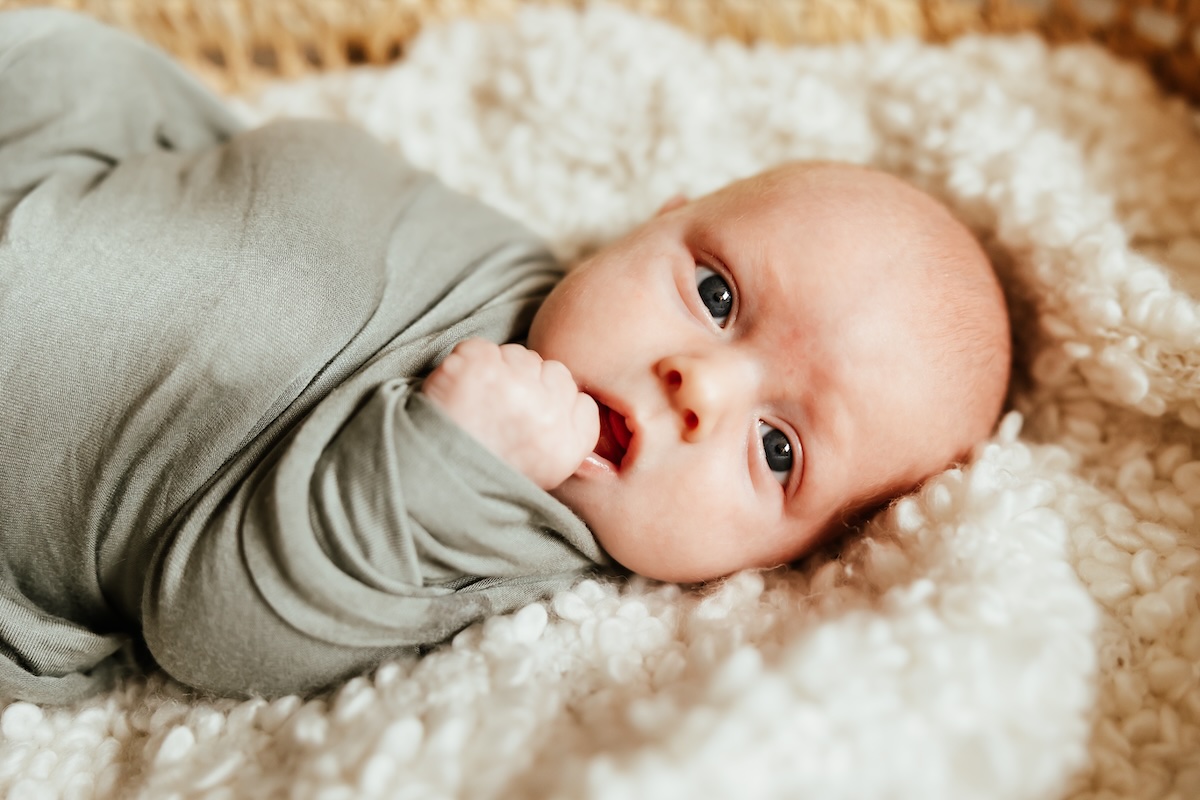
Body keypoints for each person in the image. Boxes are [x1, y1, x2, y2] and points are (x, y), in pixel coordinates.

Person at [0, 9, 1010, 704]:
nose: (699, 384)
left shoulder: (514, 527)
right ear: (658, 221)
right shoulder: (522, 262)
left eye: (779, 448)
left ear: (790, 558)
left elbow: (215, 629)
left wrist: (446, 457)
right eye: (715, 295)